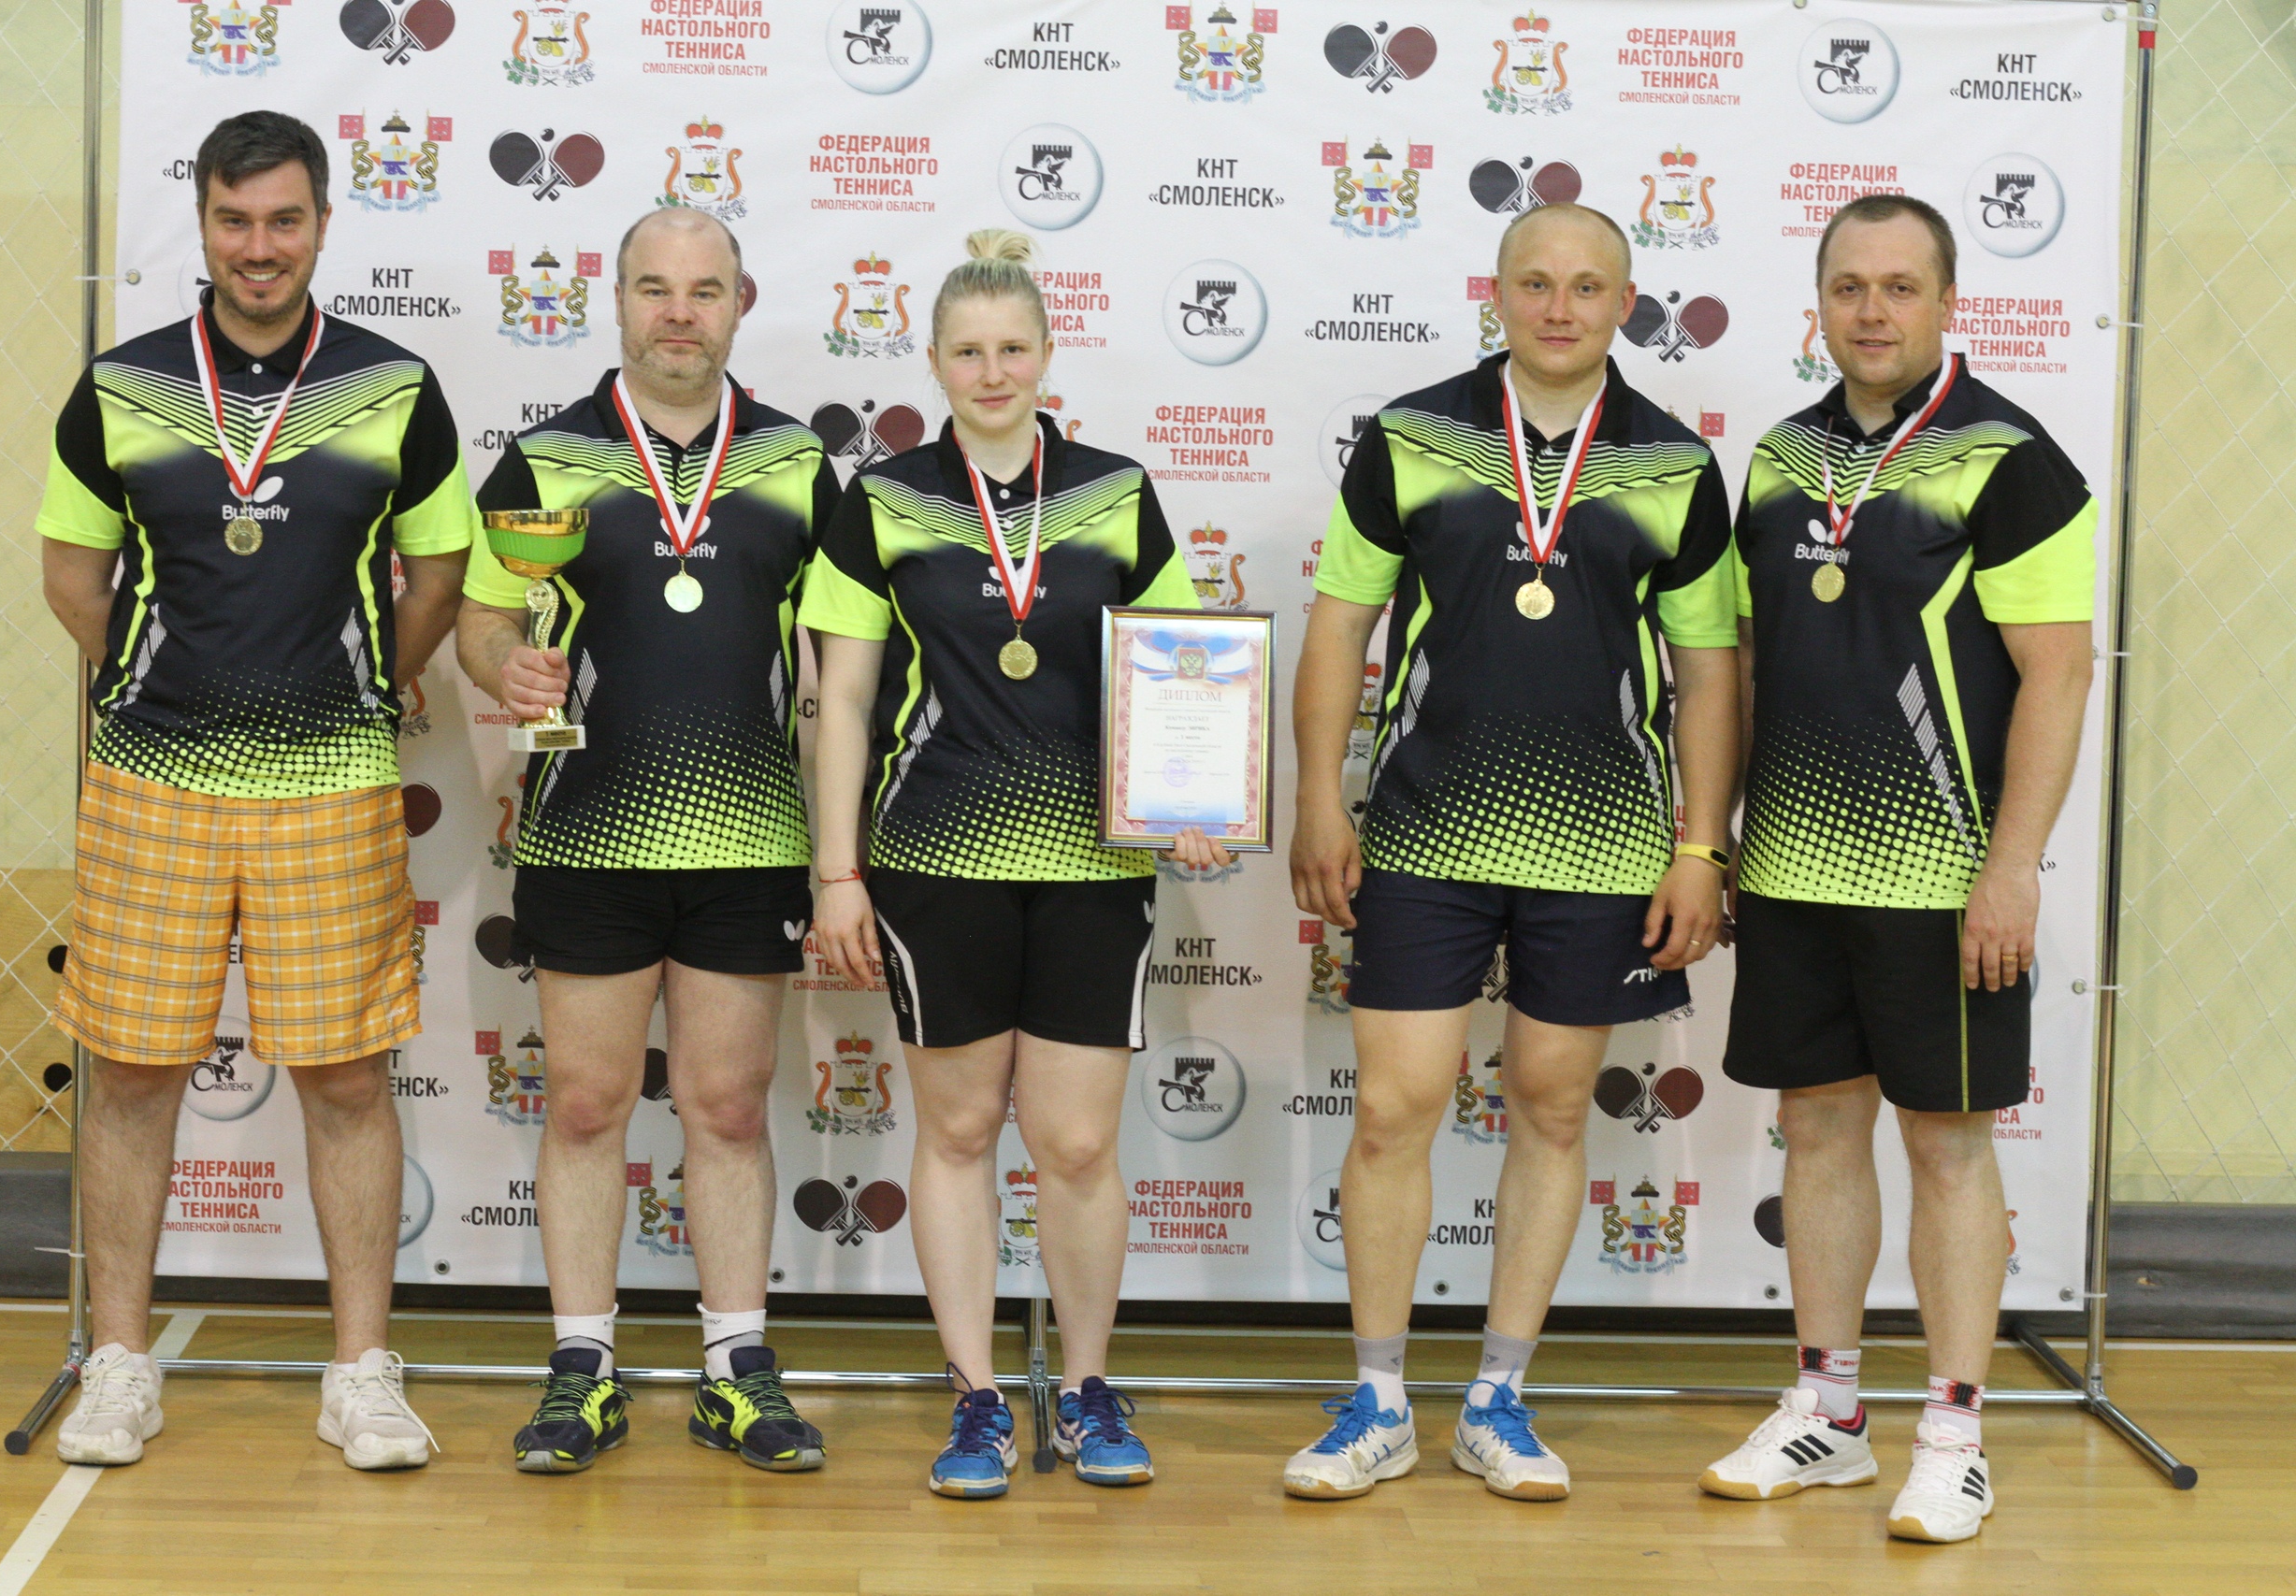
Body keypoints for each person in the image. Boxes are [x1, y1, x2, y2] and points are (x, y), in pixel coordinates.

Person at [1283, 202, 1740, 1502]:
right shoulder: (1412, 435)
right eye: (1535, 282)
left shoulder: (1673, 463)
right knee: (1393, 1106)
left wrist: (1701, 847)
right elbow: (1340, 627)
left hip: (1602, 840)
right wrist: (1319, 799)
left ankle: (1498, 1398)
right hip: (1426, 823)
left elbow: (1710, 670)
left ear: (1626, 304)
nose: (1559, 307)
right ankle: (1377, 1401)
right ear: (1494, 294)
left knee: (1549, 1102)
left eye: (1588, 286)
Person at [37, 110, 471, 1470]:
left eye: (285, 219)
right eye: (235, 220)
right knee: (131, 1072)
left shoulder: (395, 386)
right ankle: (119, 1363)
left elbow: (439, 578)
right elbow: (73, 576)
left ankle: (362, 1374)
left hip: (333, 778)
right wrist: (155, 684)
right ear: (204, 225)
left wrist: (366, 684)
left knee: (345, 1077)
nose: (260, 247)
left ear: (324, 222)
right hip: (152, 777)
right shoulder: (120, 386)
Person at [801, 229, 1225, 1499]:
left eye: (1013, 349)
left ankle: (1088, 1389)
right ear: (933, 360)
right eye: (969, 352)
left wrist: (1191, 797)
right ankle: (979, 1399)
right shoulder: (882, 499)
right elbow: (843, 700)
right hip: (933, 859)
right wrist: (836, 875)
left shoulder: (1116, 490)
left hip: (1096, 866)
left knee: (1079, 1144)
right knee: (959, 1129)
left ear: (1047, 354)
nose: (992, 372)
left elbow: (1180, 665)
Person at [1697, 194, 2094, 1545]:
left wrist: (2013, 869)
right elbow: (1748, 664)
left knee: (1947, 1144)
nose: (1873, 311)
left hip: (1947, 880)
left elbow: (2058, 675)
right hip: (1797, 869)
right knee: (1815, 1129)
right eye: (1850, 287)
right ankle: (1829, 1413)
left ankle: (1956, 1436)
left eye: (1901, 286)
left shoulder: (2011, 458)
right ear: (1819, 303)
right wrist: (1725, 835)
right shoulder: (1779, 456)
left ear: (1947, 301)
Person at [455, 208, 838, 1475]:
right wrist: (505, 666)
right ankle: (582, 1366)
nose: (680, 312)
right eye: (656, 288)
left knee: (726, 1104)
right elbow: (480, 620)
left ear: (741, 303)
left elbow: (848, 655)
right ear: (615, 300)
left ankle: (737, 1367)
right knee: (583, 1103)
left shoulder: (796, 461)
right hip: (586, 834)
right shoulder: (546, 456)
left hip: (751, 835)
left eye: (705, 290)